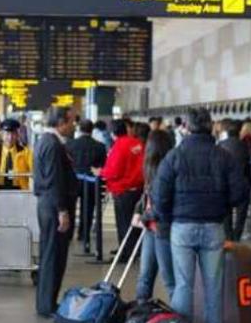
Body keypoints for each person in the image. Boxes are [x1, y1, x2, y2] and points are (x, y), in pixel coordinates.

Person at [153, 108, 249, 323]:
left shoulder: (175, 155)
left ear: (187, 126)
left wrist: (168, 218)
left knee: (184, 285)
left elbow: (160, 193)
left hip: (182, 227)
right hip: (213, 227)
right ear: (211, 126)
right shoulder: (223, 156)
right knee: (213, 286)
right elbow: (240, 192)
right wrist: (222, 207)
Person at [33, 106, 78, 317]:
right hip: (53, 206)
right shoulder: (52, 145)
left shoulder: (47, 142)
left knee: (50, 254)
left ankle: (46, 302)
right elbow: (54, 181)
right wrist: (62, 210)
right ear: (61, 122)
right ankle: (47, 305)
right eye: (71, 121)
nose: (73, 125)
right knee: (54, 256)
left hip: (48, 204)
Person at [134, 129, 175, 302]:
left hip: (160, 227)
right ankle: (141, 312)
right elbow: (147, 196)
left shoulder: (163, 169)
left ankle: (179, 322)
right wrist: (139, 211)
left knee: (164, 279)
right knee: (153, 277)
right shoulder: (155, 167)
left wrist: (143, 217)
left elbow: (161, 204)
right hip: (154, 227)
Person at [99, 119, 145, 262]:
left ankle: (126, 253)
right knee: (136, 222)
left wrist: (101, 172)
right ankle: (136, 250)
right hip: (138, 188)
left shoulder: (119, 146)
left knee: (124, 223)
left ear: (113, 133)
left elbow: (114, 170)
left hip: (123, 189)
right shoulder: (137, 143)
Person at [66, 120, 107, 242]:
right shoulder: (100, 146)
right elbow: (103, 166)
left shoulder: (70, 144)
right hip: (91, 183)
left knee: (70, 207)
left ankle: (69, 233)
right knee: (88, 209)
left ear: (79, 129)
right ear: (92, 130)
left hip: (73, 181)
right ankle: (83, 234)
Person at [217, 119, 251, 242]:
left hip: (226, 184)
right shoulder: (244, 145)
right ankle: (237, 235)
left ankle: (229, 236)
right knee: (242, 213)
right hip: (242, 183)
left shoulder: (221, 145)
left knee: (227, 213)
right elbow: (248, 160)